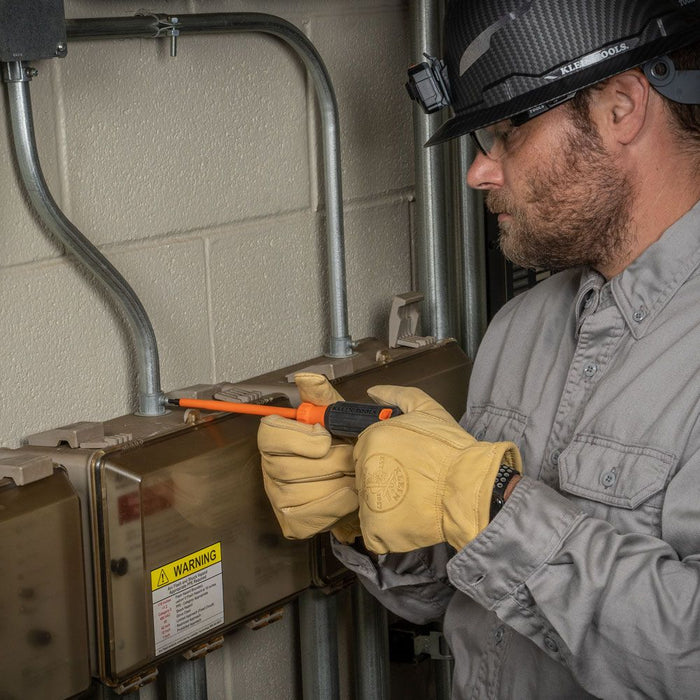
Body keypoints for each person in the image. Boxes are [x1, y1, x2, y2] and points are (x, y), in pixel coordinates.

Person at [258, 1, 700, 697]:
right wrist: (369, 511)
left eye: (505, 133)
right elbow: (456, 601)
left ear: (621, 107)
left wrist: (493, 503)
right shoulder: (520, 327)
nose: (479, 173)